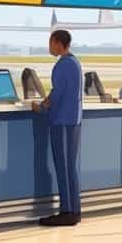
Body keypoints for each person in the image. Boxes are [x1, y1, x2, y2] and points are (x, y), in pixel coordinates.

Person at [34, 29, 83, 225]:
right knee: (70, 166)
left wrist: (42, 106)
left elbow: (57, 94)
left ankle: (67, 211)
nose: (49, 46)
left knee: (63, 167)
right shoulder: (75, 62)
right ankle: (74, 209)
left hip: (62, 121)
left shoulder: (62, 65)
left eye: (50, 42)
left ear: (57, 43)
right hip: (73, 120)